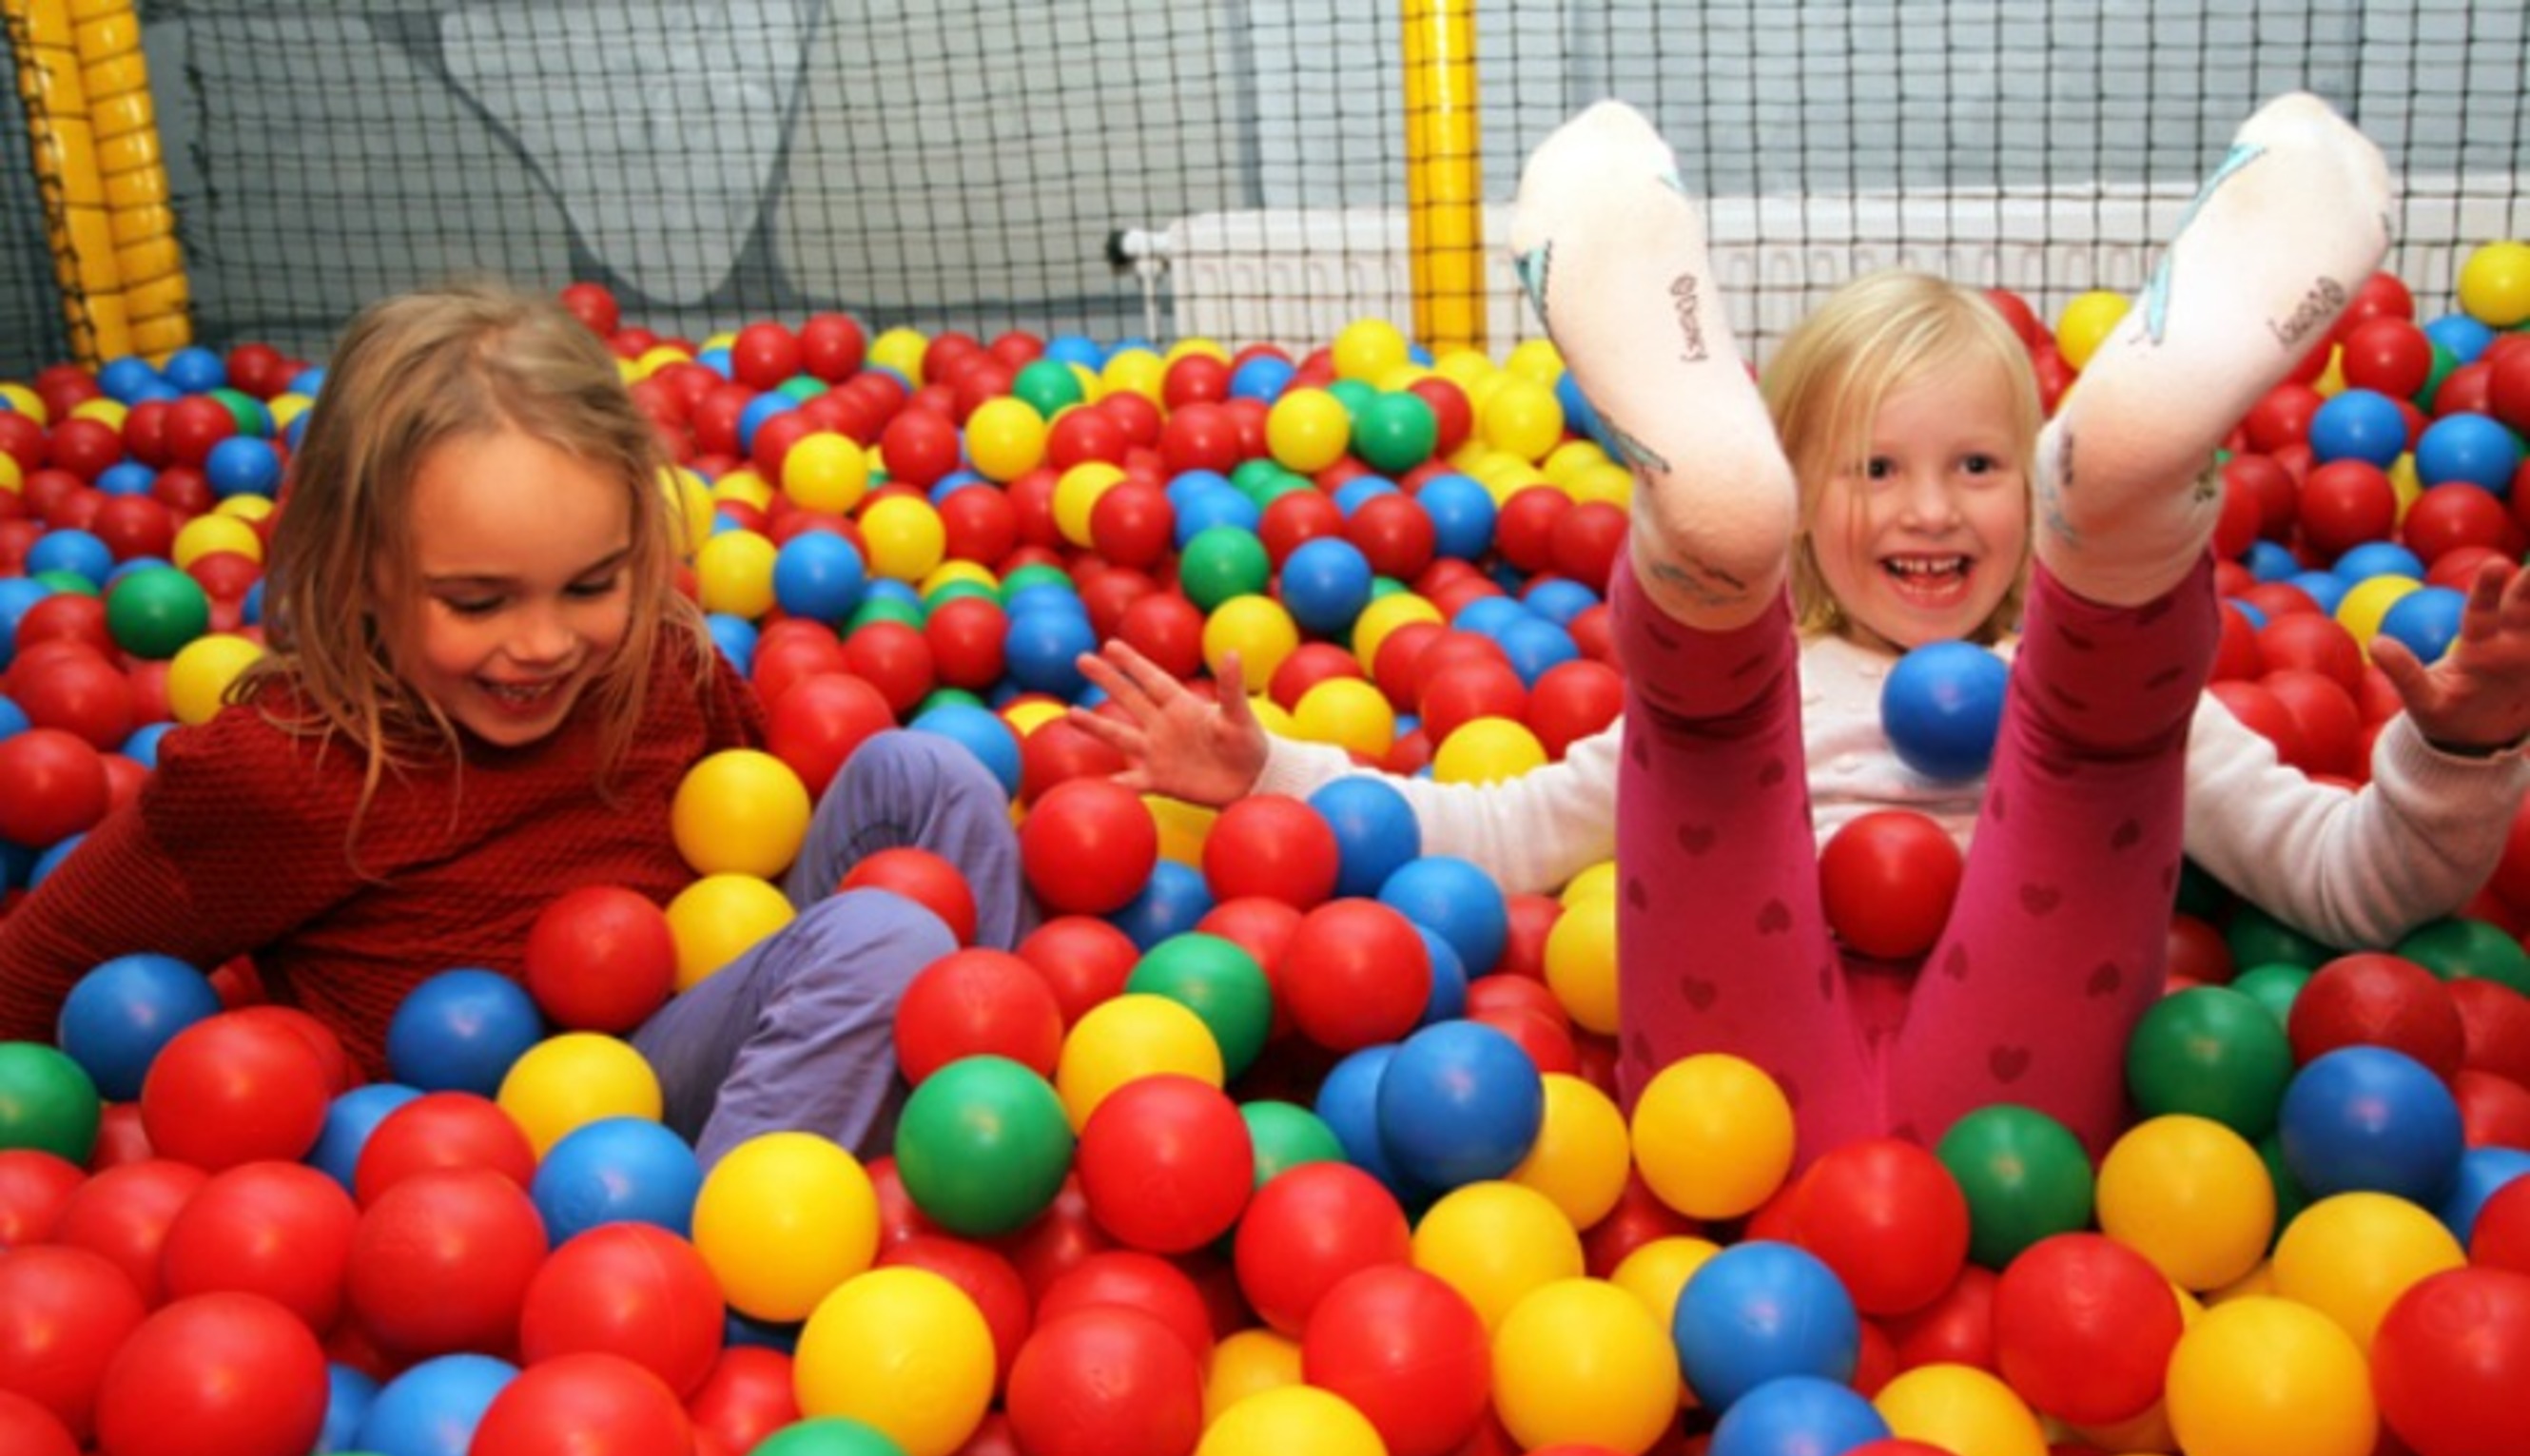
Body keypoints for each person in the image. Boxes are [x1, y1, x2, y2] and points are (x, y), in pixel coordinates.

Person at [1074, 95, 2530, 1160]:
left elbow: (2348, 885)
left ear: (2029, 488)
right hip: (1809, 1104)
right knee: (1716, 745)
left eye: (1980, 468)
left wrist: (2464, 746)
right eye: (1876, 468)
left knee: (2092, 746)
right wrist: (1269, 778)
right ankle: (1740, 560)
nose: (1934, 511)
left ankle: (2102, 526)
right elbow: (1493, 829)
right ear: (1807, 494)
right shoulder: (1817, 676)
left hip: (1930, 1125)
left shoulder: (2064, 679)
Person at [0, 283, 1022, 1166]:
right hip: (522, 1141)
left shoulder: (654, 660)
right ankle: (712, 1265)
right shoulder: (282, 770)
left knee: (923, 770)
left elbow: (752, 852)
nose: (542, 644)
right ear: (362, 573)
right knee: (879, 935)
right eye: (478, 602)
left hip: (689, 1004)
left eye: (588, 583)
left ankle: (997, 1098)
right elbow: (42, 967)